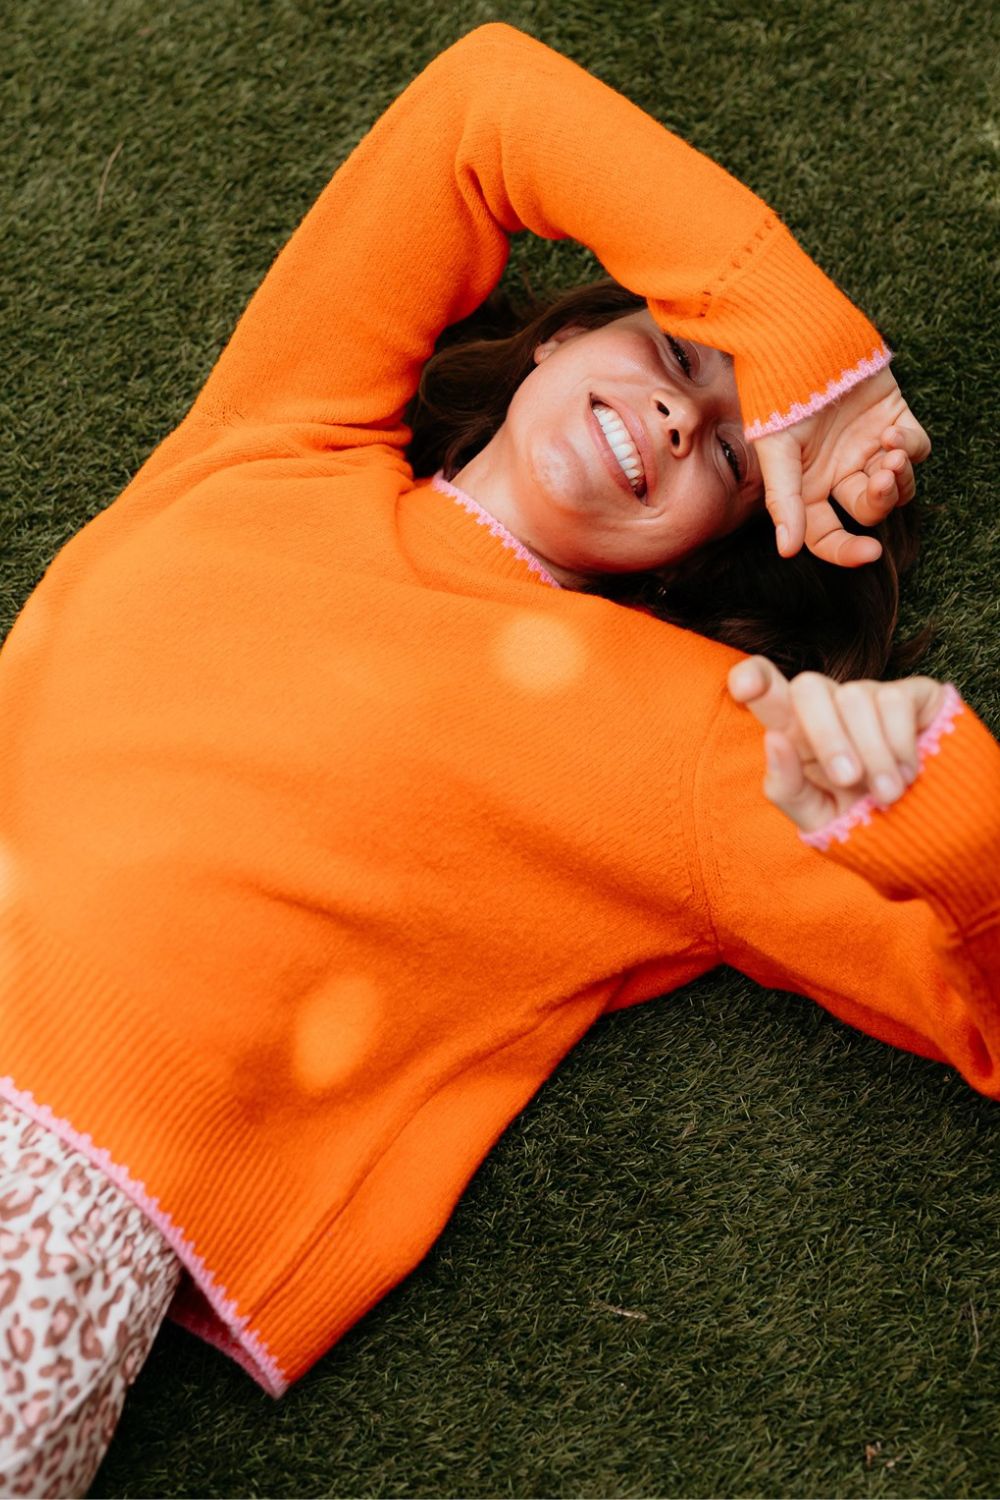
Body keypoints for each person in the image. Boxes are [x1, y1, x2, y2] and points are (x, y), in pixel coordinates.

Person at [0, 21, 996, 1497]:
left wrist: (942, 820)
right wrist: (796, 341)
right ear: (557, 339)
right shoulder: (282, 434)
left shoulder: (690, 730)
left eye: (730, 454)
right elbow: (485, 107)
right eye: (674, 355)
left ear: (716, 547)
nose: (678, 413)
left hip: (61, 1175)